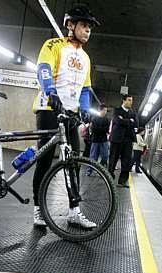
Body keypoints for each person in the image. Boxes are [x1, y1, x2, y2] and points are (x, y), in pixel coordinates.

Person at [31, 6, 100, 228]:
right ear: (71, 25)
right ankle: (38, 209)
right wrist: (51, 92)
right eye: (84, 25)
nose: (87, 31)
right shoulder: (53, 45)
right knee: (45, 157)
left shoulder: (86, 58)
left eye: (90, 27)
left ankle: (74, 211)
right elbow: (43, 69)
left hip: (70, 114)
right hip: (49, 109)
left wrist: (85, 109)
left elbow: (85, 88)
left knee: (73, 162)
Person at [108, 94, 137, 188]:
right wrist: (129, 121)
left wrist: (124, 120)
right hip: (116, 138)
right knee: (113, 158)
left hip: (128, 140)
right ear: (124, 101)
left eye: (131, 100)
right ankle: (109, 178)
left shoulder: (133, 112)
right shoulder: (116, 110)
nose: (131, 102)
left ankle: (122, 181)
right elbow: (118, 121)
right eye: (129, 100)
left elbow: (135, 123)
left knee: (126, 161)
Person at [87, 104, 110, 174]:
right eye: (104, 110)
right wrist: (102, 129)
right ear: (100, 110)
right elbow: (94, 129)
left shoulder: (106, 120)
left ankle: (100, 168)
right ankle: (89, 170)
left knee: (105, 156)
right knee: (93, 157)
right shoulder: (94, 118)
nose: (105, 112)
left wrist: (99, 129)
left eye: (106, 110)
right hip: (95, 140)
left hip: (104, 140)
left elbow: (106, 130)